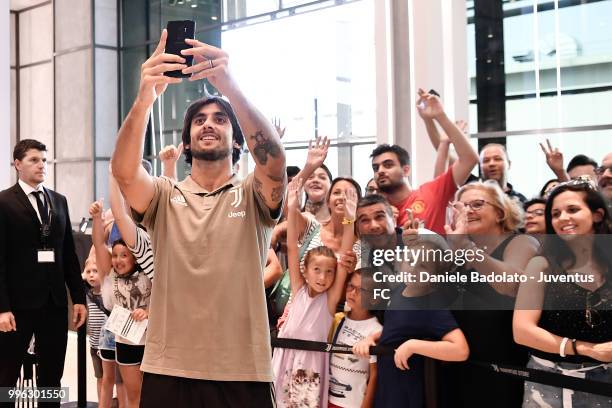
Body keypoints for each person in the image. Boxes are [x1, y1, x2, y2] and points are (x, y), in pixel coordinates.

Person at [112, 30, 286, 407]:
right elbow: (125, 173)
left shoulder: (252, 194)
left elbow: (274, 165)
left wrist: (229, 86)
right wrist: (144, 98)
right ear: (187, 142)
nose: (209, 123)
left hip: (241, 370)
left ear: (237, 141)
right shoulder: (163, 194)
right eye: (200, 120)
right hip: (169, 368)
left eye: (221, 119)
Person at [352, 195, 469, 408]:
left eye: (423, 266)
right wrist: (374, 338)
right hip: (388, 382)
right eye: (411, 261)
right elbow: (396, 324)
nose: (415, 268)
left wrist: (414, 345)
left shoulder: (430, 302)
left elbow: (460, 348)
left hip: (413, 384)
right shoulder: (399, 290)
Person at [0, 139, 87, 408]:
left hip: (54, 305)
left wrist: (79, 298)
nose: (41, 165)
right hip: (16, 308)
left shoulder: (58, 201)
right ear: (17, 164)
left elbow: (69, 256)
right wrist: (2, 308)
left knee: (52, 379)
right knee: (6, 378)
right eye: (34, 160)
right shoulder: (3, 202)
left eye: (44, 160)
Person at [513, 178, 612, 407]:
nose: (563, 218)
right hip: (550, 383)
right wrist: (588, 349)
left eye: (573, 210)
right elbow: (522, 331)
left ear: (597, 215)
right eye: (556, 214)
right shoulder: (541, 265)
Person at [441, 181, 539, 408]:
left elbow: (509, 284)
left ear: (500, 212)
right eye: (461, 207)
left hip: (504, 368)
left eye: (476, 204)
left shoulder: (522, 242)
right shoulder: (457, 250)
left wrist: (465, 247)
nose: (468, 211)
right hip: (460, 365)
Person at [272, 179, 355, 408]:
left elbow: (347, 248)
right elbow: (292, 246)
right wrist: (292, 205)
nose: (322, 277)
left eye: (329, 272)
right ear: (305, 272)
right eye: (317, 270)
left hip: (308, 361)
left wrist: (349, 218)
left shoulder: (330, 299)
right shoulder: (298, 289)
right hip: (283, 354)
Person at [370, 89, 479, 233]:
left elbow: (469, 159)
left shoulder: (430, 193)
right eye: (376, 168)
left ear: (406, 170)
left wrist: (440, 116)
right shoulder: (375, 212)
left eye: (388, 165)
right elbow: (347, 221)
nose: (381, 171)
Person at [89, 197, 152, 408]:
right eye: (115, 255)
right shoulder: (110, 273)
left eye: (124, 255)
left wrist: (148, 311)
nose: (118, 260)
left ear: (135, 257)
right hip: (125, 340)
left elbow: (166, 297)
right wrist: (97, 218)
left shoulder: (149, 271)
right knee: (134, 395)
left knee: (151, 395)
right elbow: (98, 243)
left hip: (151, 341)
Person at [328, 269, 382, 408]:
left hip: (354, 403)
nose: (352, 292)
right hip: (327, 398)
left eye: (362, 290)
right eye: (351, 286)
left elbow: (374, 374)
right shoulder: (337, 319)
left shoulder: (375, 329)